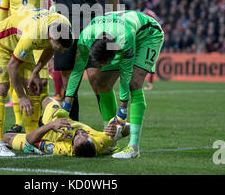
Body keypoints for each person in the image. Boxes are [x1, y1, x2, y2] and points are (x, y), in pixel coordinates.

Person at [62, 10, 165, 159]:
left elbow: (125, 73)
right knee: (101, 83)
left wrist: (122, 111)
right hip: (117, 32)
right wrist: (66, 107)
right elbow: (77, 71)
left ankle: (133, 147)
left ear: (114, 54)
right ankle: (111, 142)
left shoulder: (125, 38)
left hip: (148, 34)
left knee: (134, 83)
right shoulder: (85, 38)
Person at [0, 8, 73, 156]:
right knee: (1, 88)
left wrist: (35, 72)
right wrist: (21, 97)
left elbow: (50, 49)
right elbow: (12, 66)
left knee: (34, 88)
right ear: (51, 36)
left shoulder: (63, 24)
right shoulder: (33, 34)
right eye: (60, 48)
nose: (61, 52)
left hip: (19, 44)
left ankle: (30, 142)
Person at [0, 0, 58, 134]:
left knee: (42, 81)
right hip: (16, 38)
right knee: (16, 79)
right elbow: (3, 13)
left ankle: (41, 119)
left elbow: (59, 2)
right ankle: (18, 122)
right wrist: (1, 34)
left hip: (38, 37)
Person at [0, 97, 130, 157]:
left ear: (73, 147)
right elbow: (129, 128)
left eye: (78, 137)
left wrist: (50, 125)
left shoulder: (62, 149)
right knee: (46, 100)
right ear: (93, 142)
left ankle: (38, 137)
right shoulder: (100, 141)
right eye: (86, 135)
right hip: (62, 119)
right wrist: (120, 129)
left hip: (50, 129)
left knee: (6, 138)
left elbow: (30, 139)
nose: (81, 132)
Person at [142, 7, 164, 91]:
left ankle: (150, 83)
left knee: (150, 61)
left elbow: (160, 22)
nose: (140, 3)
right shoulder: (136, 11)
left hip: (150, 41)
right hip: (140, 40)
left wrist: (153, 33)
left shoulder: (149, 12)